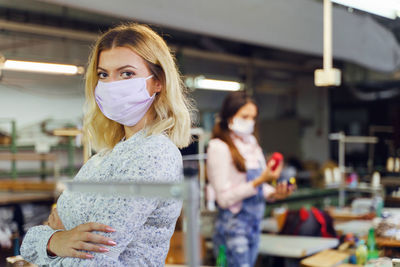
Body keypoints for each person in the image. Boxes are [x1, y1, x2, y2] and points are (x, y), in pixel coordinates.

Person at [20, 23, 192, 266]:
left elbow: (94, 261)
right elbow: (29, 243)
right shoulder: (105, 157)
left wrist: (50, 241)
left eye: (126, 74)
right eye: (103, 74)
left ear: (158, 82)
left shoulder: (153, 154)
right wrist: (55, 240)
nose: (112, 85)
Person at [207, 91, 292, 267]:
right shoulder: (219, 147)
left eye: (253, 117)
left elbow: (262, 185)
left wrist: (275, 193)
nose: (249, 122)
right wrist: (259, 181)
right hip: (233, 229)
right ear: (229, 116)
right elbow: (223, 199)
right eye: (244, 116)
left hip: (254, 226)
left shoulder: (252, 143)